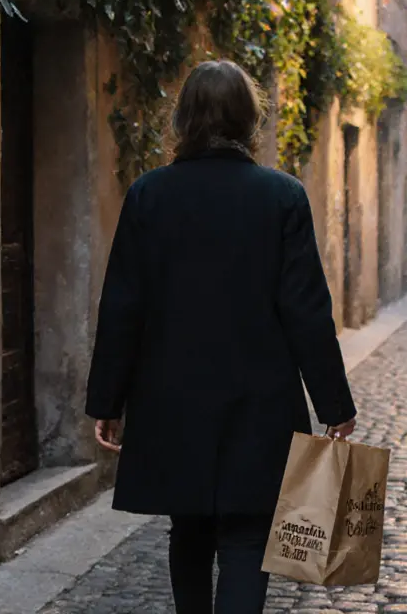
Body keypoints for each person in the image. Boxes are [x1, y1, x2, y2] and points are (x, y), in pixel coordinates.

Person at [84, 60, 358, 613]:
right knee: (248, 539)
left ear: (183, 119)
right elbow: (306, 311)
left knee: (188, 529)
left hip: (172, 400)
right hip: (259, 401)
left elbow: (123, 307)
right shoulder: (282, 197)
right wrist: (335, 403)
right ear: (249, 121)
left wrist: (107, 401)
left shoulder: (148, 196)